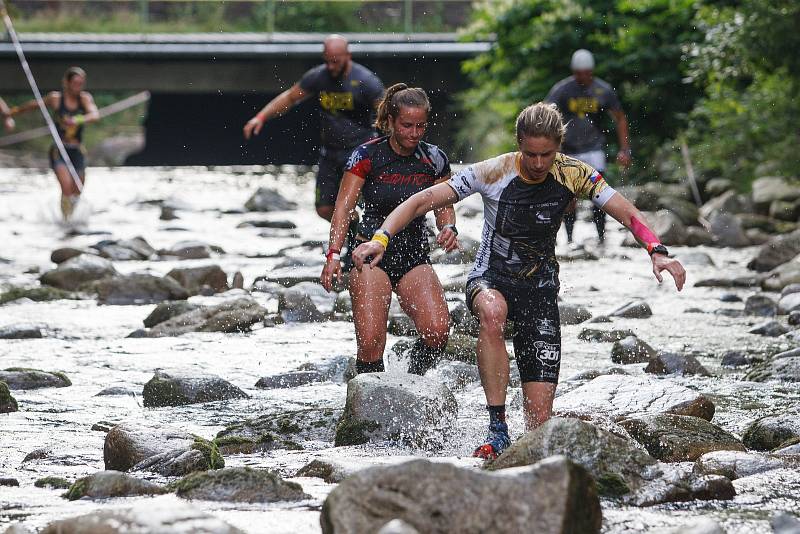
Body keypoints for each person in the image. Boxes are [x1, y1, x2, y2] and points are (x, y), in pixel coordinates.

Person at [352, 102, 686, 459]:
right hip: (490, 278)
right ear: (518, 143)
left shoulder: (576, 174)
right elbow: (422, 200)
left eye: (546, 154)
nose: (539, 163)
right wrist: (381, 237)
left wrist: (656, 249)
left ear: (558, 146)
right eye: (530, 154)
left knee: (539, 428)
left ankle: (521, 449)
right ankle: (496, 429)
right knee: (493, 313)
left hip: (540, 289)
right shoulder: (495, 171)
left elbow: (625, 211)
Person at [320, 83, 459, 376]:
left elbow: (443, 204)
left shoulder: (434, 158)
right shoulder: (366, 156)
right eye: (407, 125)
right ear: (390, 122)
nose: (414, 133)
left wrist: (448, 227)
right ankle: (368, 403)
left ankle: (412, 379)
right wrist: (333, 254)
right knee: (371, 343)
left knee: (437, 331)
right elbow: (343, 209)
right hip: (369, 256)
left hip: (414, 256)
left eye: (421, 126)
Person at [244, 34, 385, 226]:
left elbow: (386, 113)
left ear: (347, 56)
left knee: (355, 203)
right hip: (330, 153)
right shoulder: (319, 77)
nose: (331, 67)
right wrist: (260, 117)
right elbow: (290, 97)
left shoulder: (366, 81)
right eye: (327, 61)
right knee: (324, 208)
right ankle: (353, 228)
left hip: (359, 153)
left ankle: (362, 241)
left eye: (335, 62)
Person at [546, 49, 631, 244]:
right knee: (568, 197)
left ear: (591, 71)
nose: (583, 77)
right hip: (569, 150)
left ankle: (601, 239)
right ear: (573, 72)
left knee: (599, 195)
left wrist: (625, 149)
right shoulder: (563, 89)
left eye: (586, 73)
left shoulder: (603, 90)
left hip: (595, 150)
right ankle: (569, 240)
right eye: (578, 73)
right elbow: (546, 112)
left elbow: (620, 118)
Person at [9, 67, 99, 220]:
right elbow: (33, 105)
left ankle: (71, 217)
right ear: (67, 83)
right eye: (75, 83)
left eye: (81, 84)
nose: (78, 87)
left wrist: (76, 119)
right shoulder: (56, 99)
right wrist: (12, 112)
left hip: (77, 150)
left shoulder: (84, 98)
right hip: (59, 149)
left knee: (77, 188)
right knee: (66, 186)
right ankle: (65, 221)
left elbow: (94, 115)